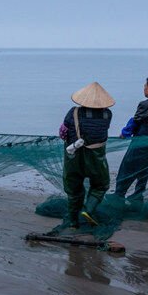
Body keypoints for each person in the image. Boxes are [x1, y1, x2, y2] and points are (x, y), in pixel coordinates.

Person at [59, 82, 114, 228]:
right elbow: (102, 131)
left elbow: (62, 133)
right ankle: (88, 210)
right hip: (96, 158)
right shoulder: (107, 114)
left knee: (74, 189)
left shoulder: (73, 112)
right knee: (101, 185)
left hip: (73, 157)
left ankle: (73, 221)